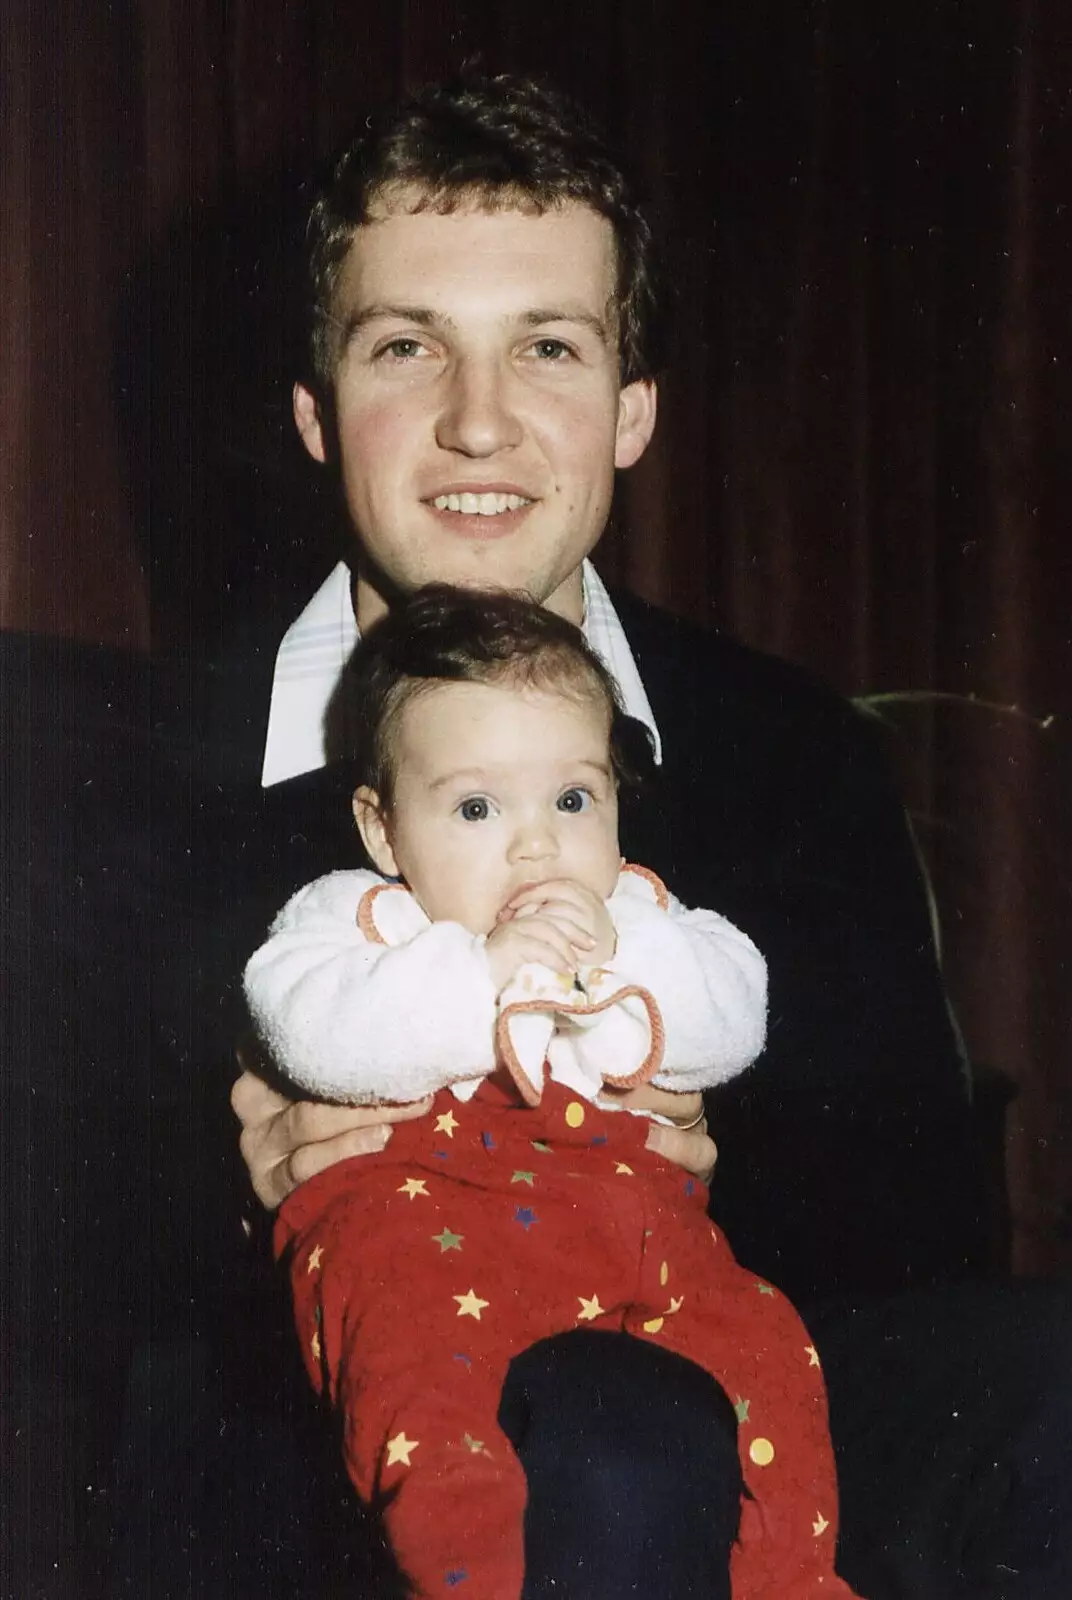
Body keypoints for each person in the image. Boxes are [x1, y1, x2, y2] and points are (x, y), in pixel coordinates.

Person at [226, 72, 1072, 1600]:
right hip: (335, 1457)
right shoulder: (105, 769)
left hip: (728, 1379)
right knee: (605, 1445)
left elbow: (920, 1223)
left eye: (547, 347)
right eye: (407, 346)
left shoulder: (790, 748)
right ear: (312, 411)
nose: (479, 421)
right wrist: (251, 1179)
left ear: (631, 411)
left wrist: (700, 1136)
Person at [243, 583, 860, 1598]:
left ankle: (793, 1575)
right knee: (418, 1378)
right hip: (423, 1210)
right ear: (384, 829)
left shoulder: (640, 914)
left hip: (625, 1213)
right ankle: (463, 1567)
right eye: (476, 808)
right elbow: (304, 1022)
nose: (536, 846)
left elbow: (735, 1007)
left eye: (572, 801)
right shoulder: (356, 920)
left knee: (765, 1346)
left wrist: (631, 952)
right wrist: (482, 973)